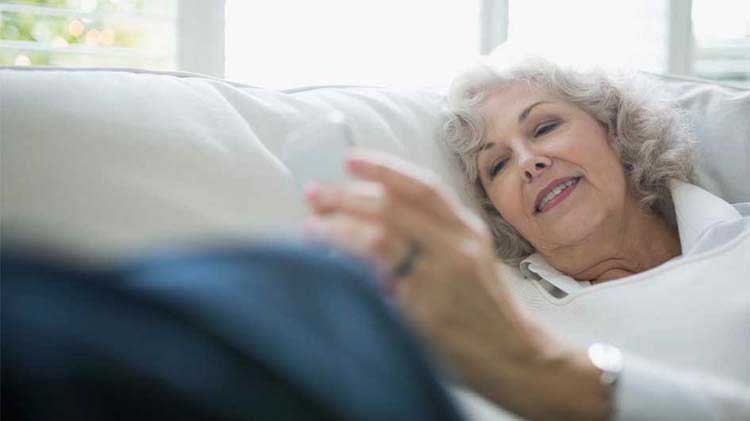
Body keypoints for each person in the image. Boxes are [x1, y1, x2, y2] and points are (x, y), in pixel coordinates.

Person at [303, 55, 750, 420]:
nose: (528, 162)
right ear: (499, 211)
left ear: (615, 131)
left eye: (543, 127)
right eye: (497, 165)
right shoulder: (497, 307)